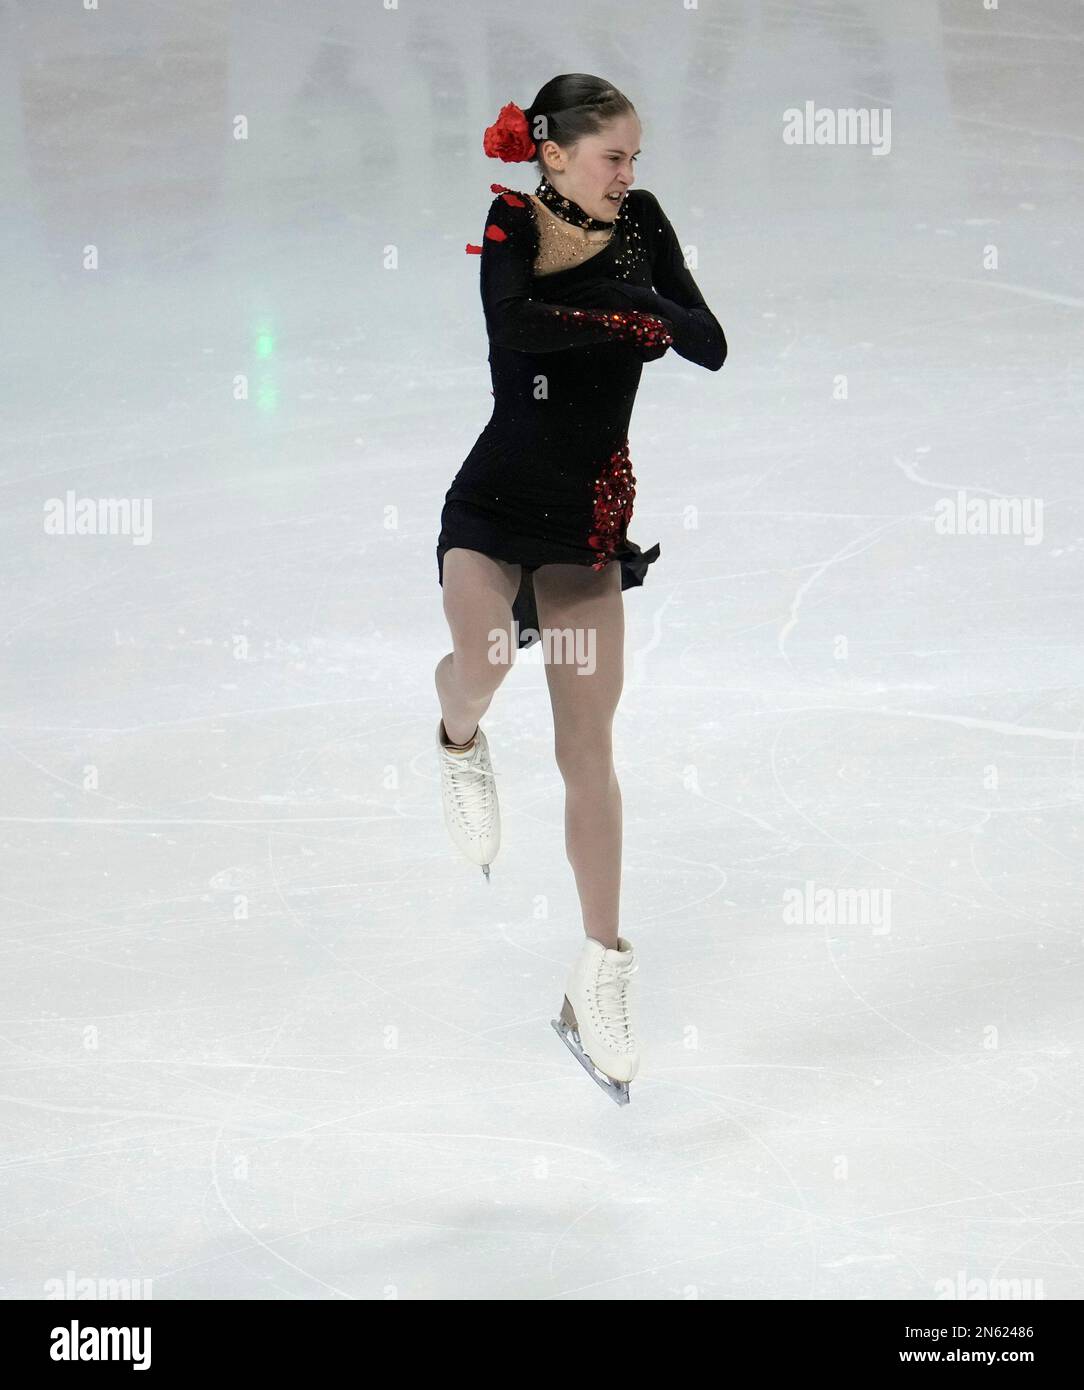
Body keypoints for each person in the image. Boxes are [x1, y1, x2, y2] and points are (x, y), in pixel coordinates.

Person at [433, 74, 727, 1103]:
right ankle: (456, 743)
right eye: (613, 158)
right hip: (494, 504)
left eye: (636, 158)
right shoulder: (509, 221)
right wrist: (627, 311)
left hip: (585, 531)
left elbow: (709, 343)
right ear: (553, 154)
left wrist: (644, 301)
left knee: (585, 750)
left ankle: (598, 972)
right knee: (477, 666)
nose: (629, 176)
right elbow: (515, 330)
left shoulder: (640, 223)